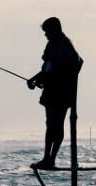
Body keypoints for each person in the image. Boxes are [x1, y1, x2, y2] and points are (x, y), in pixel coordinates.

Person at [26, 17, 83, 170]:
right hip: (58, 91)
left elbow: (60, 67)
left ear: (54, 30)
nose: (45, 35)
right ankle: (48, 158)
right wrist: (36, 78)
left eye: (47, 32)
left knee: (54, 125)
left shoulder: (62, 45)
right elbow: (49, 68)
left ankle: (49, 159)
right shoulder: (58, 44)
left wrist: (42, 79)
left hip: (59, 92)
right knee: (52, 125)